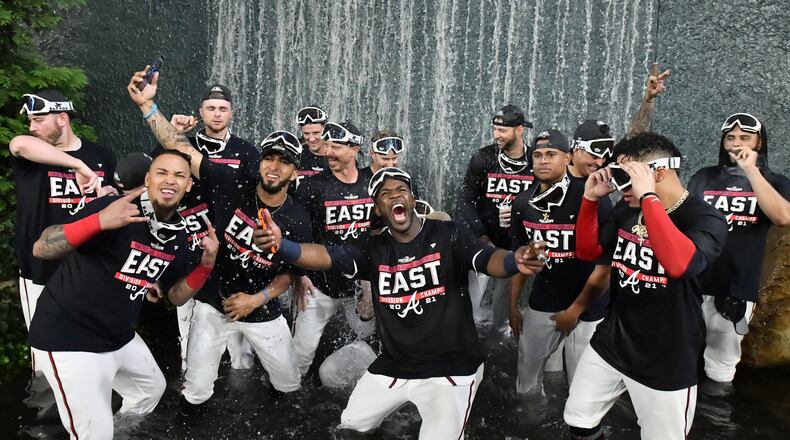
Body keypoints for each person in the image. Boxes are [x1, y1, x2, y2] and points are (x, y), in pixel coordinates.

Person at [253, 167, 546, 438]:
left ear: (412, 198)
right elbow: (326, 256)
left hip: (451, 368)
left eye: (401, 189)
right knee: (349, 428)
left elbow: (486, 259)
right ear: (379, 209)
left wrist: (514, 260)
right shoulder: (372, 248)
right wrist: (283, 246)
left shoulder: (448, 233)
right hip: (395, 365)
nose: (394, 195)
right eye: (385, 193)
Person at [26, 149, 219, 439]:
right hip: (68, 335)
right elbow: (41, 248)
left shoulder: (177, 233)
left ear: (189, 185)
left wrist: (206, 266)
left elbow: (176, 297)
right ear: (148, 179)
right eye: (162, 172)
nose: (170, 180)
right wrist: (99, 221)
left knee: (151, 389)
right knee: (93, 434)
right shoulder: (113, 206)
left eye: (180, 175)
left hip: (117, 334)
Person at [563, 132, 728, 440]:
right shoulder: (628, 210)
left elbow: (680, 264)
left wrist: (649, 198)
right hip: (613, 342)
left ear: (659, 173)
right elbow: (590, 252)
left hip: (666, 356)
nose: (620, 186)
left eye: (627, 176)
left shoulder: (705, 218)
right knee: (578, 419)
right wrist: (589, 200)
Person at [140, 110, 309, 406]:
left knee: (289, 386)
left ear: (295, 172)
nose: (274, 167)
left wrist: (255, 300)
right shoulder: (232, 183)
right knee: (195, 391)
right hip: (213, 303)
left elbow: (291, 274)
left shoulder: (298, 219)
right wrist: (148, 106)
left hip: (261, 308)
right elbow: (182, 148)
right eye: (269, 158)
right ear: (259, 163)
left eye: (285, 162)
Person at [149, 74, 259, 371]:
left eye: (223, 109)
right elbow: (160, 173)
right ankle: (190, 374)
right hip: (190, 246)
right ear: (201, 112)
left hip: (233, 250)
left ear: (232, 112)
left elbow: (256, 198)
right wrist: (172, 133)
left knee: (239, 338)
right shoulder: (185, 144)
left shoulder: (246, 151)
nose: (217, 114)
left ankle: (240, 380)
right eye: (211, 108)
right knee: (188, 324)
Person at [10, 90, 117, 370]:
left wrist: (108, 194)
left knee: (88, 343)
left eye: (38, 120)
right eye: (31, 121)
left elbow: (109, 204)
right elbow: (19, 143)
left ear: (62, 118)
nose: (32, 127)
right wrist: (78, 165)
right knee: (45, 351)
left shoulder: (101, 155)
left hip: (87, 269)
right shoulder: (32, 152)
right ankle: (46, 409)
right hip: (40, 269)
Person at [687, 113, 790, 385]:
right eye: (730, 138)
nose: (736, 144)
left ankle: (716, 421)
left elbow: (782, 217)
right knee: (681, 352)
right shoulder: (703, 177)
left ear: (759, 144)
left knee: (721, 362)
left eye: (745, 138)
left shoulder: (775, 183)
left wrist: (752, 171)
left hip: (735, 287)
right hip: (694, 281)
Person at [508, 129, 611, 397]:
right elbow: (521, 259)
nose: (543, 160)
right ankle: (530, 424)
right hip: (545, 300)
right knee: (526, 375)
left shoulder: (592, 197)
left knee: (583, 382)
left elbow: (606, 265)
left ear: (567, 158)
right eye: (538, 155)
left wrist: (575, 311)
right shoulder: (522, 203)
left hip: (589, 305)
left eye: (551, 154)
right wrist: (513, 306)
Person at [291, 120, 376, 377]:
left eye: (336, 146)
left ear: (354, 149)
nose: (328, 151)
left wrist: (370, 286)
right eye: (327, 145)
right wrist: (300, 274)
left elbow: (380, 234)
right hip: (318, 286)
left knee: (375, 346)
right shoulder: (311, 187)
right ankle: (290, 401)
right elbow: (297, 235)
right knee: (299, 356)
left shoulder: (372, 184)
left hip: (359, 288)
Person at [458, 104, 535, 334]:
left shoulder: (534, 162)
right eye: (494, 129)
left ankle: (498, 349)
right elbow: (465, 199)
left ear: (519, 130)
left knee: (502, 321)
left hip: (513, 246)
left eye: (502, 130)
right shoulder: (484, 158)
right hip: (483, 242)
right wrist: (480, 235)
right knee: (468, 312)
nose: (496, 135)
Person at [568, 69, 670, 180]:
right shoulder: (553, 175)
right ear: (577, 151)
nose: (600, 163)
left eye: (604, 158)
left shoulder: (602, 168)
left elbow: (635, 134)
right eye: (594, 156)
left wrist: (648, 100)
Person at [294, 105, 329, 188]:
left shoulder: (338, 156)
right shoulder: (295, 155)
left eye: (316, 133)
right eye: (306, 134)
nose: (311, 139)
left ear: (326, 130)